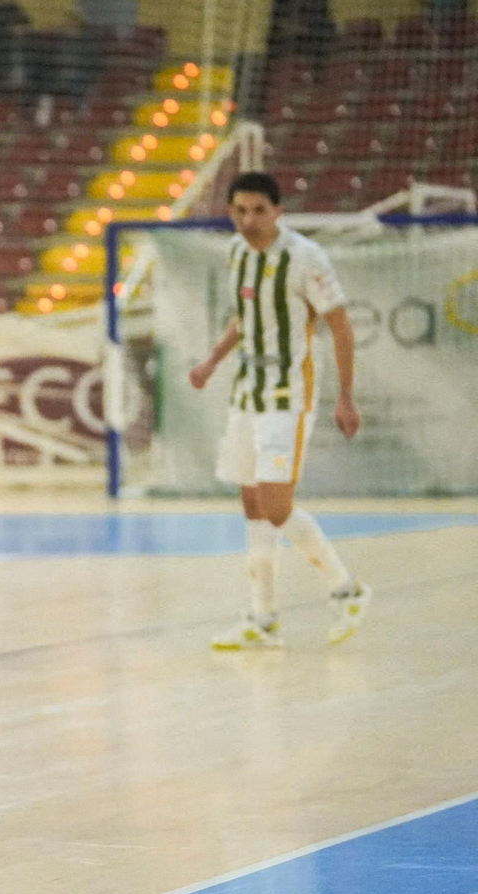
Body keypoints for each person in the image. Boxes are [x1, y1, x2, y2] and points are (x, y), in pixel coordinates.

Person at [187, 171, 369, 649]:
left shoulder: (306, 258)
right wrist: (211, 360)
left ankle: (346, 589)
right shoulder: (235, 253)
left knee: (276, 504)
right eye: (239, 211)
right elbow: (246, 319)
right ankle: (261, 616)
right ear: (230, 211)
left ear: (278, 212)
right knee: (251, 505)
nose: (248, 220)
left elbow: (342, 328)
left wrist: (345, 396)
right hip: (249, 390)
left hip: (289, 395)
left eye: (258, 211)